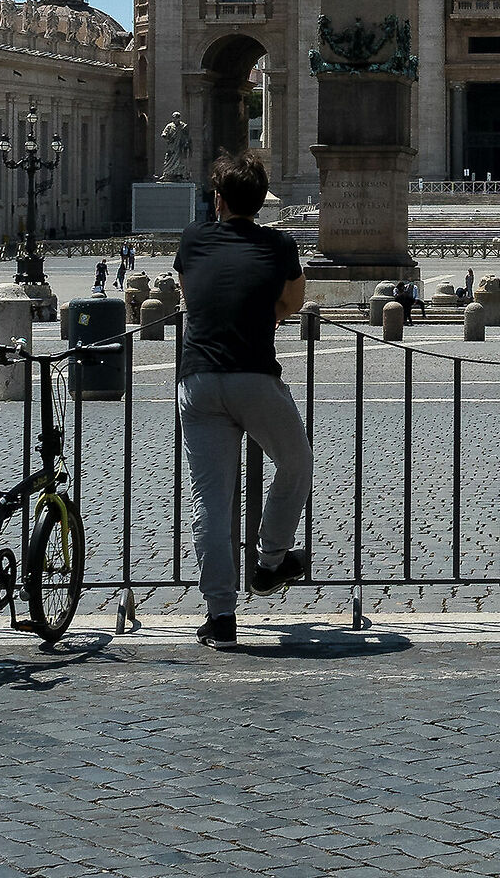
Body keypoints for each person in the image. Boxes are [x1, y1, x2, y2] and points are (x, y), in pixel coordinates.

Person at [175, 149, 314, 649]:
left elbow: (192, 296)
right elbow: (293, 301)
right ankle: (271, 561)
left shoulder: (192, 239)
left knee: (211, 502)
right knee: (295, 462)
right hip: (253, 376)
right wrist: (263, 312)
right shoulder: (280, 244)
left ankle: (220, 617)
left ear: (218, 199)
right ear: (260, 201)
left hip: (198, 379)